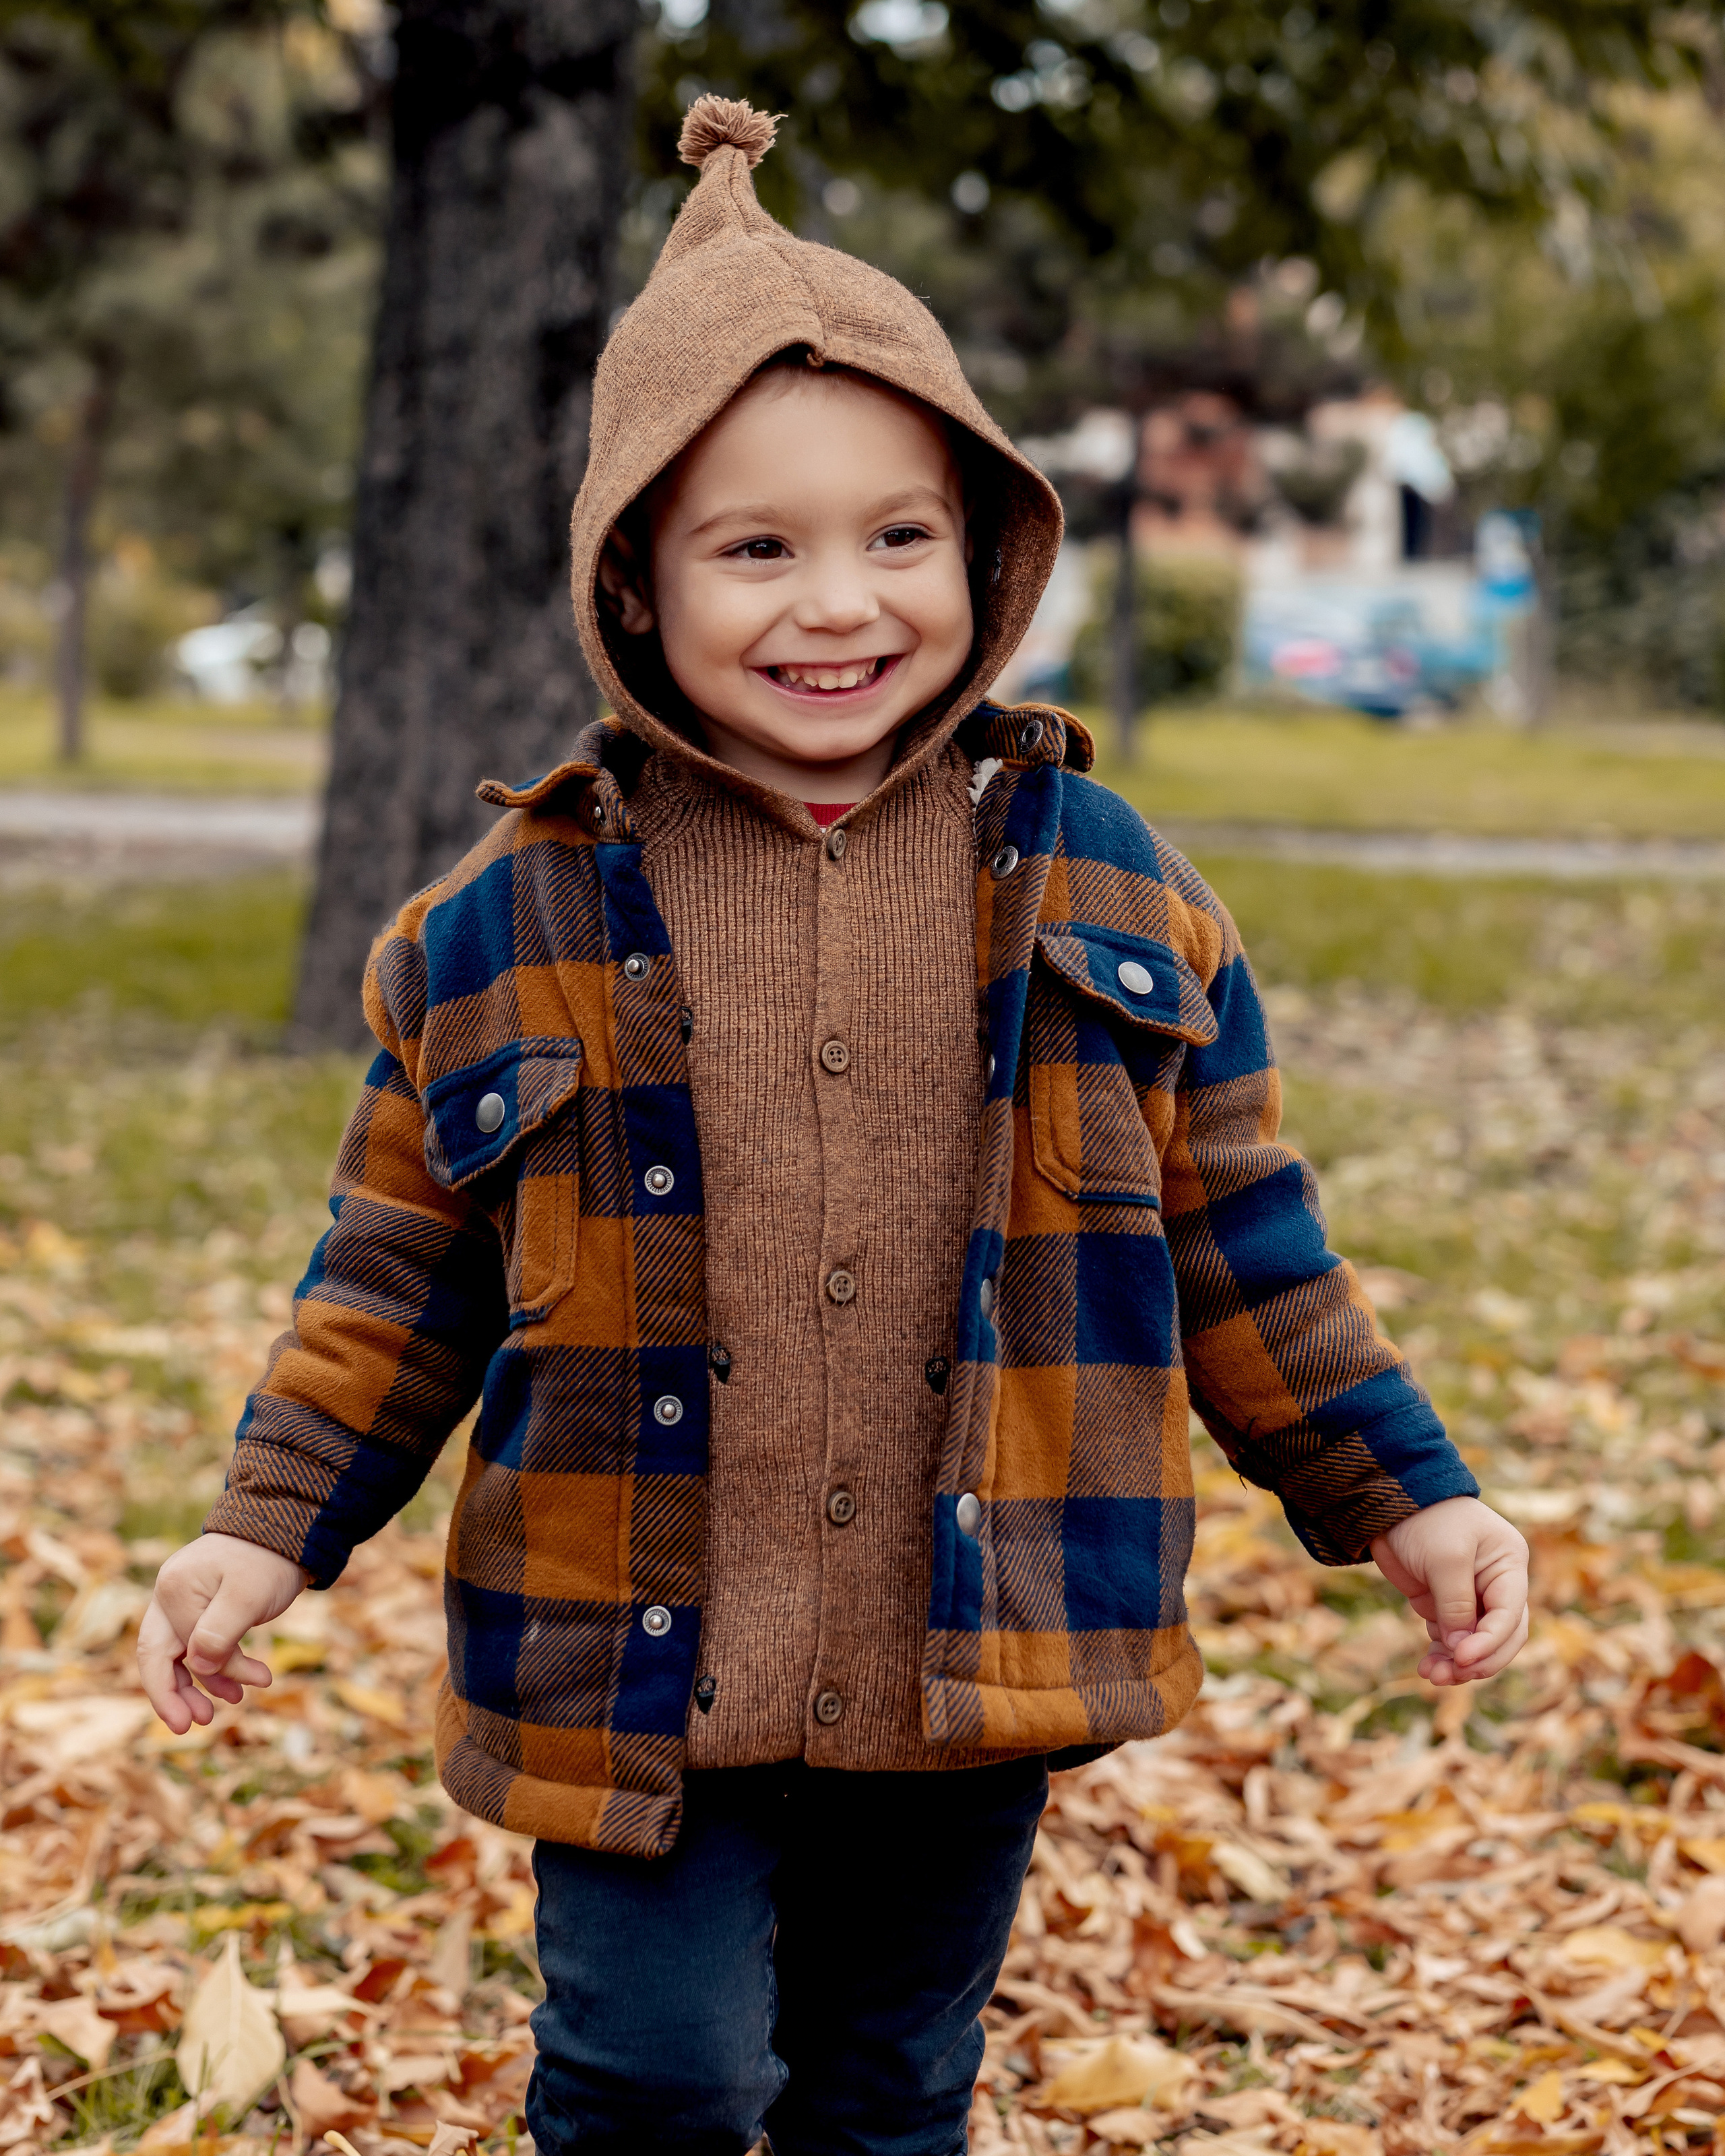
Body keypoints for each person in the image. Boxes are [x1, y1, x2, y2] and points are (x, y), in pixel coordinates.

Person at [137, 96, 1530, 2155]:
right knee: (659, 2074)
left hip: (962, 1655)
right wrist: (265, 1527)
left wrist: (1410, 1493)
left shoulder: (1113, 888)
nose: (839, 603)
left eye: (898, 538)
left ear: (986, 551)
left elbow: (1245, 1245)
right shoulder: (493, 927)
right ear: (636, 577)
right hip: (629, 1649)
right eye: (757, 547)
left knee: (889, 2084)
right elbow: (393, 1275)